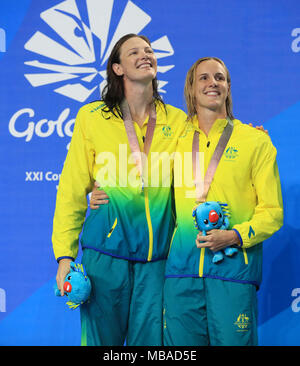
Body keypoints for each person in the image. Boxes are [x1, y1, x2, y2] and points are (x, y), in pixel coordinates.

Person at [52, 33, 187, 346]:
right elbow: (72, 188)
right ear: (117, 68)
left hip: (157, 260)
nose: (145, 55)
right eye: (134, 52)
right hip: (105, 256)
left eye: (149, 50)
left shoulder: (178, 120)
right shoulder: (92, 117)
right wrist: (64, 256)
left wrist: (247, 137)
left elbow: (208, 150)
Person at [162, 57, 283, 346]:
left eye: (219, 77)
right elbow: (141, 184)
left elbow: (273, 212)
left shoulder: (256, 141)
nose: (212, 83)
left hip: (233, 272)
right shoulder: (173, 140)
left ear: (228, 87)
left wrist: (234, 236)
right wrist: (101, 190)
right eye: (203, 78)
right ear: (191, 89)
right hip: (182, 273)